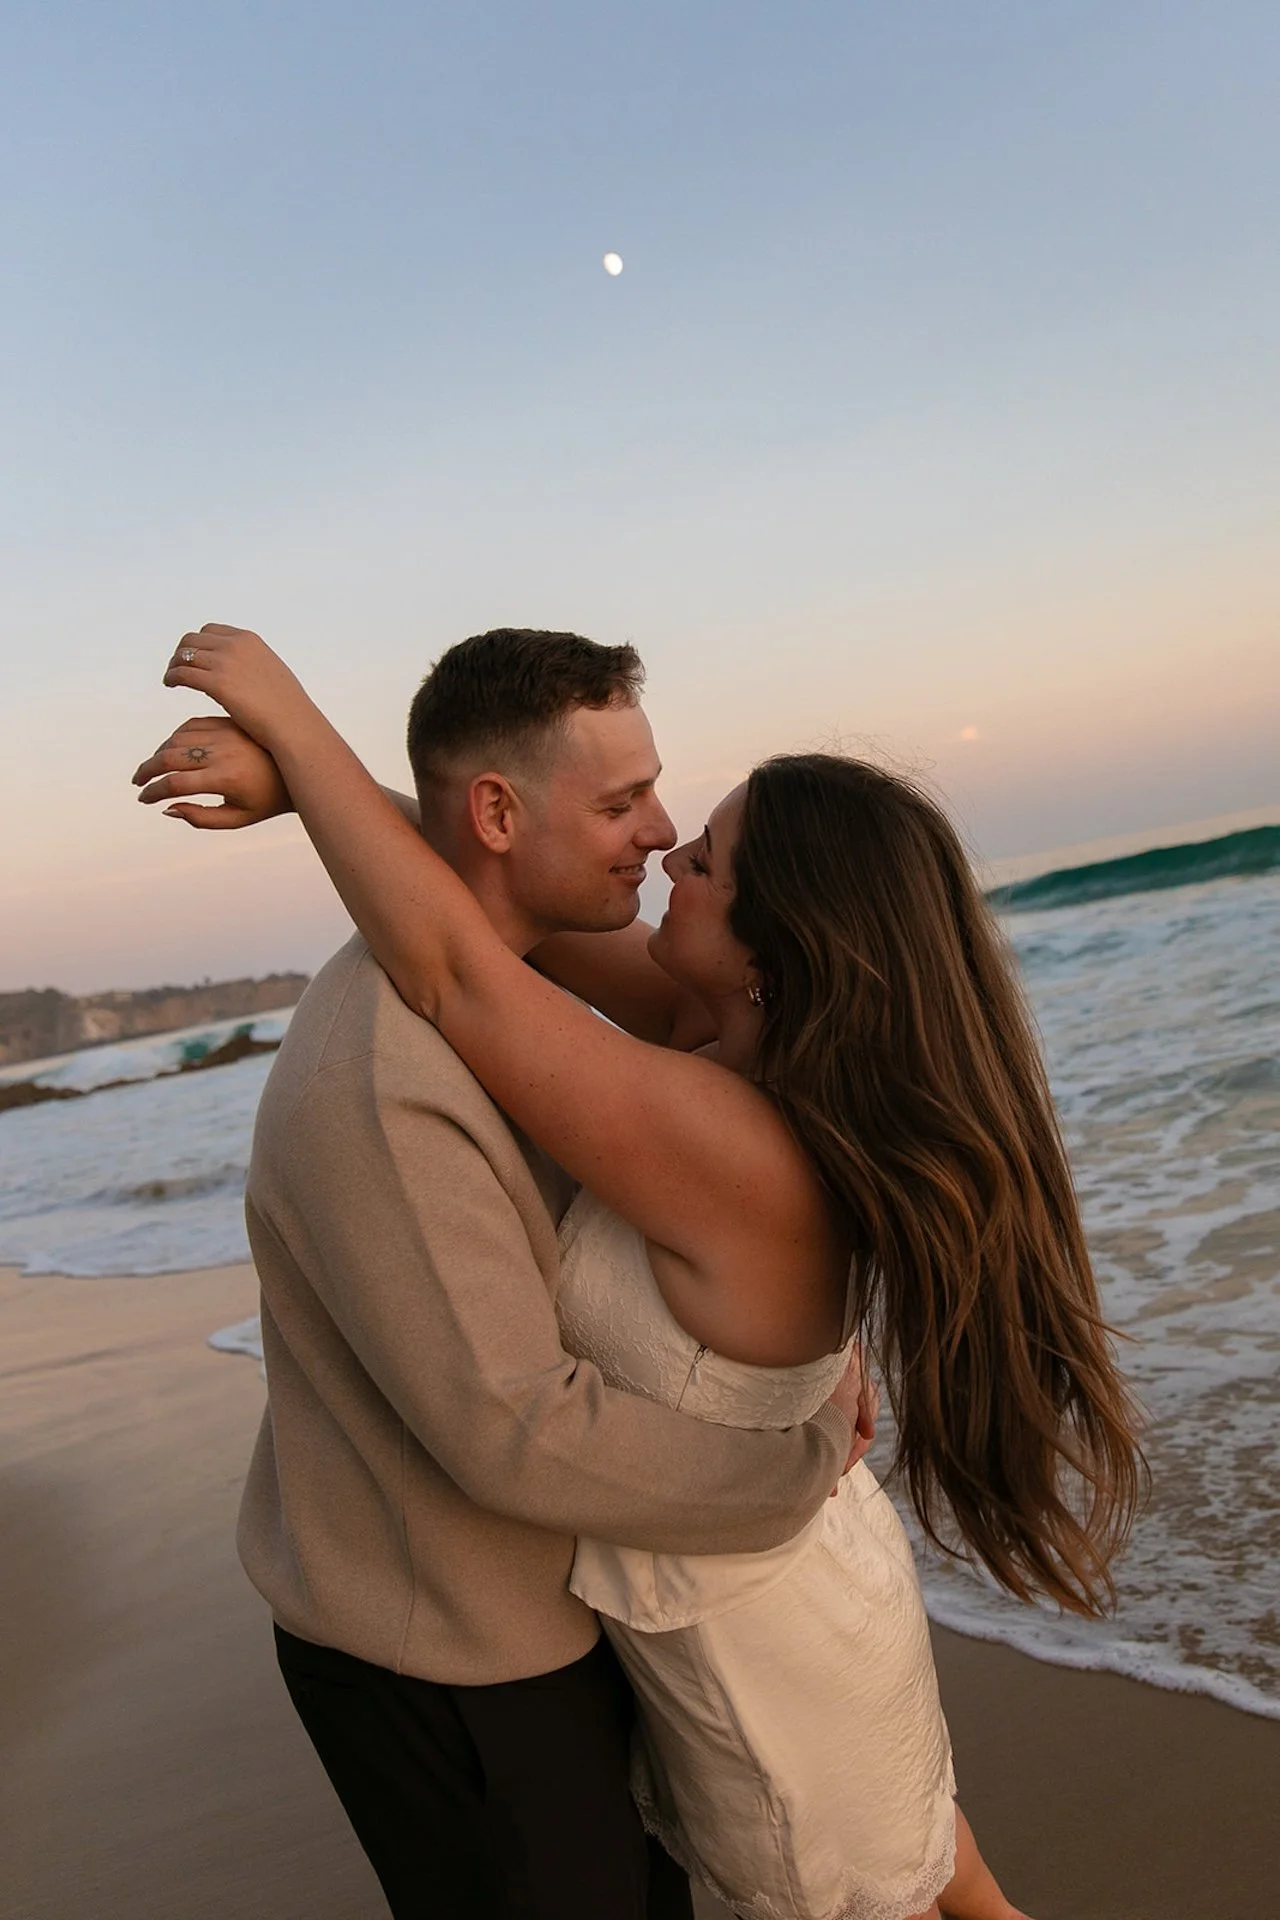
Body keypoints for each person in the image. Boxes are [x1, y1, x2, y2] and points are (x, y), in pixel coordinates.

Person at [142, 622, 1144, 1920]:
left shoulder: (717, 1130)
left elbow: (457, 965)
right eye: (631, 807)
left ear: (777, 948)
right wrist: (348, 797)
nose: (668, 846)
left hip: (761, 1638)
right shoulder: (726, 1041)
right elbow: (489, 891)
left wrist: (291, 719)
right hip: (771, 1600)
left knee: (851, 1877)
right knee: (924, 1863)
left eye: (707, 857)